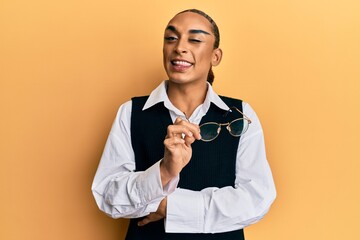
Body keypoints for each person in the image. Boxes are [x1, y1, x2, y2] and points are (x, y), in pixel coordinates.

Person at [92, 9, 276, 240]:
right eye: (171, 38)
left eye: (195, 39)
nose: (179, 47)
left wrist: (169, 207)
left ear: (215, 56)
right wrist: (164, 171)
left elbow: (256, 198)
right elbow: (107, 194)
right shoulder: (131, 112)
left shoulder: (240, 115)